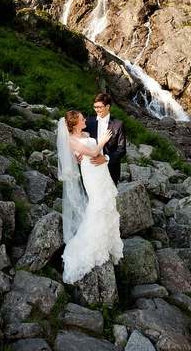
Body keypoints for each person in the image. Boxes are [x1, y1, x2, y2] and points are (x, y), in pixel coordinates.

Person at [57, 110, 123, 284]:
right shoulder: (71, 140)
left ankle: (106, 242)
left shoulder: (86, 133)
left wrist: (95, 148)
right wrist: (101, 142)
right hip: (90, 173)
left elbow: (88, 152)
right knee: (97, 204)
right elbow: (93, 153)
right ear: (75, 123)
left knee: (107, 202)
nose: (85, 119)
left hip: (100, 172)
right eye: (82, 118)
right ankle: (92, 246)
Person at [83, 93, 126, 184]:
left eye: (100, 107)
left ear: (107, 106)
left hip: (111, 169)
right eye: (95, 107)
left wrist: (106, 158)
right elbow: (78, 138)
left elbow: (122, 150)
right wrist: (77, 154)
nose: (97, 110)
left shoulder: (118, 124)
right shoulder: (88, 121)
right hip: (91, 167)